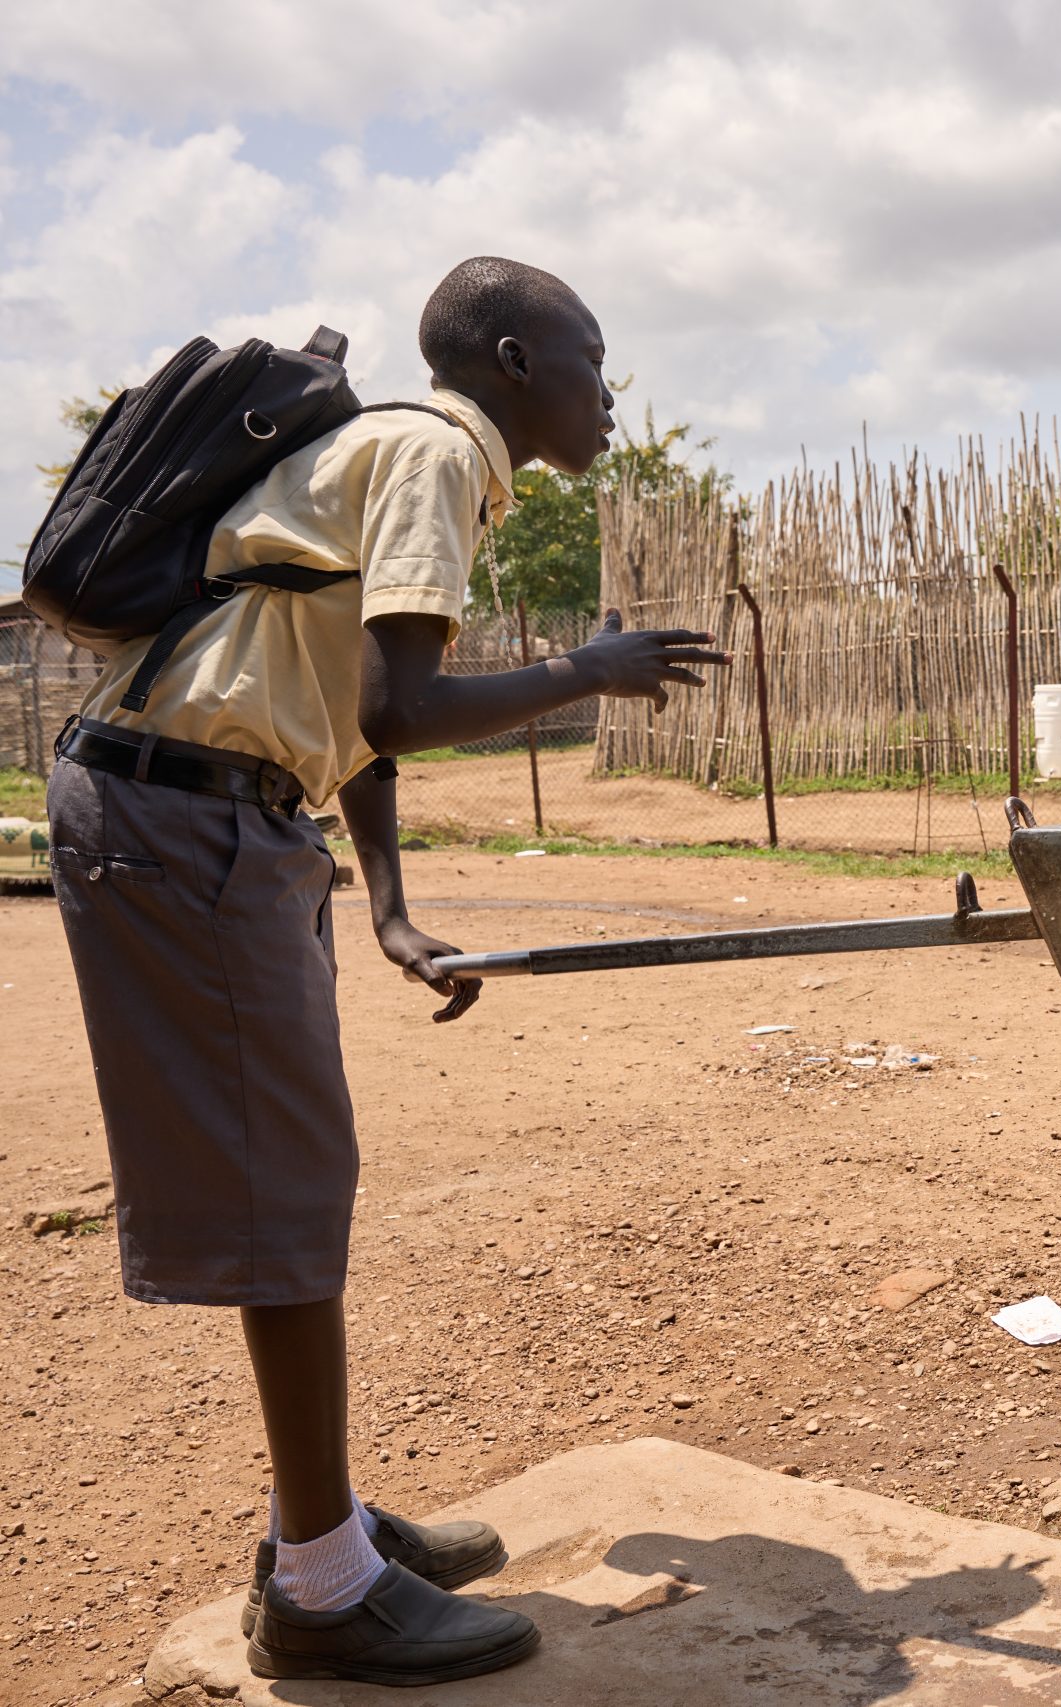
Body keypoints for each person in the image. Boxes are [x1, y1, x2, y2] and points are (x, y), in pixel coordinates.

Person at [47, 256, 723, 1687]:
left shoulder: (413, 463)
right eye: (593, 359)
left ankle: (327, 1525)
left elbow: (349, 701)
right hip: (188, 813)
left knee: (298, 1169)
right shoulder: (430, 451)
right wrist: (586, 673)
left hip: (221, 809)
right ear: (513, 360)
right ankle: (322, 1581)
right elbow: (404, 704)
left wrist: (390, 909)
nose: (613, 392)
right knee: (280, 1183)